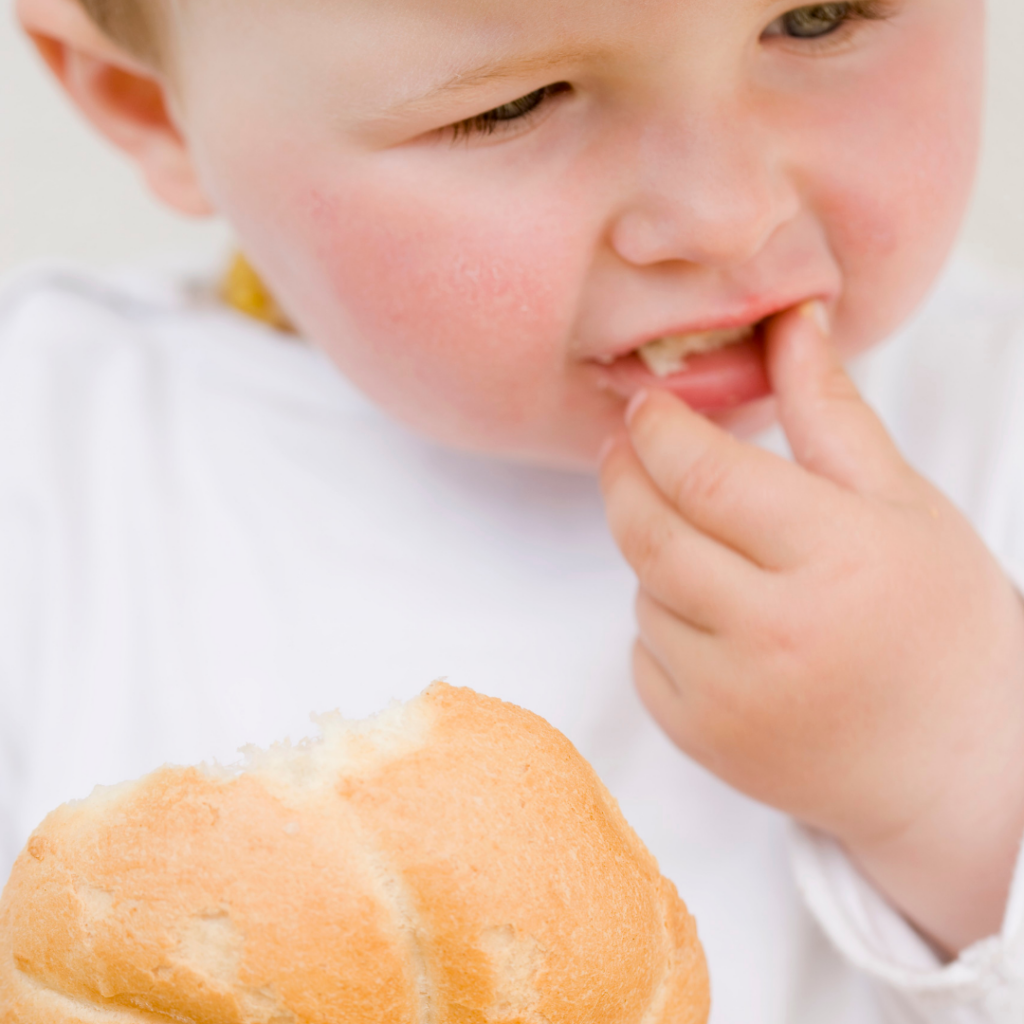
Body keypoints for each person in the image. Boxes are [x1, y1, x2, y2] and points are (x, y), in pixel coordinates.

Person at [2, 0, 1023, 1018]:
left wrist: (965, 773)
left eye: (815, 19)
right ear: (147, 103)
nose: (725, 212)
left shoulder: (989, 428)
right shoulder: (48, 478)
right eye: (516, 104)